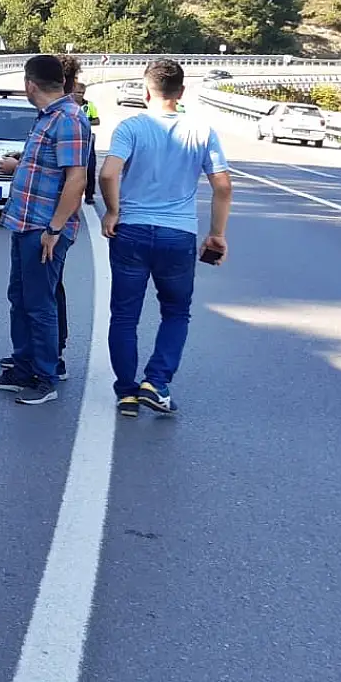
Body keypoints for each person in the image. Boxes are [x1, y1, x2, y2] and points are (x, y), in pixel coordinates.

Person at [99, 59, 233, 417]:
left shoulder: (131, 127)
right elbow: (223, 186)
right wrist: (216, 234)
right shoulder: (202, 131)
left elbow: (109, 173)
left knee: (124, 315)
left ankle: (126, 392)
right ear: (182, 93)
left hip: (132, 231)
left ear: (145, 92)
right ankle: (156, 382)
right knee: (176, 312)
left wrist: (113, 211)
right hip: (178, 234)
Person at [0, 55, 88, 405]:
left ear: (30, 84)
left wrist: (55, 228)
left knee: (40, 303)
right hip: (24, 222)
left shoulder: (69, 120)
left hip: (44, 228)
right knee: (21, 297)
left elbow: (77, 179)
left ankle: (44, 377)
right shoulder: (48, 118)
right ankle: (23, 365)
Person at [75, 79, 101, 203]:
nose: (79, 95)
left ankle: (89, 194)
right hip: (72, 139)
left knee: (90, 167)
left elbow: (97, 120)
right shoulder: (68, 105)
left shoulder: (89, 106)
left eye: (81, 93)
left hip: (86, 140)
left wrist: (84, 121)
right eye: (77, 92)